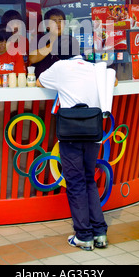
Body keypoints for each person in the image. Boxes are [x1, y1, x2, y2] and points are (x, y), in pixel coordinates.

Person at [37, 54, 117, 251]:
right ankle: (99, 233)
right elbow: (113, 81)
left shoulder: (61, 66)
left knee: (75, 183)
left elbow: (39, 82)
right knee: (89, 180)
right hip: (94, 132)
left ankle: (83, 235)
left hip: (71, 133)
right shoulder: (96, 68)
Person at [29, 8, 80, 79]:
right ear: (47, 25)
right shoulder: (38, 39)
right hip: (40, 84)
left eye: (60, 21)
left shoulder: (70, 40)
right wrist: (54, 43)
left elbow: (77, 64)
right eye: (54, 21)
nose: (58, 24)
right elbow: (32, 59)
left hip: (63, 83)